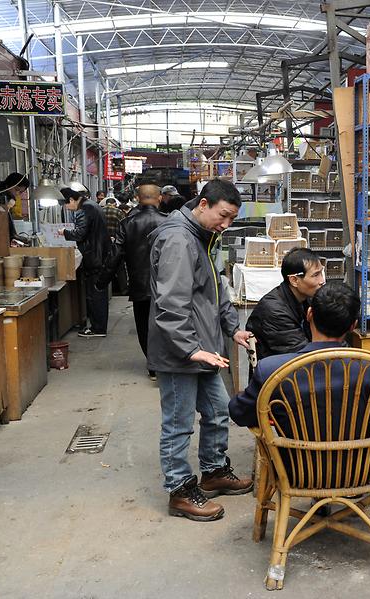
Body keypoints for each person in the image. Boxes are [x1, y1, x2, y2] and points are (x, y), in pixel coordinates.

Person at [148, 178, 254, 522]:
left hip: (204, 346)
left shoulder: (204, 236)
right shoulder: (178, 238)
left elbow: (216, 290)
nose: (225, 225)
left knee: (219, 410)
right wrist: (191, 349)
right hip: (181, 352)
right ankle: (179, 490)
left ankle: (213, 471)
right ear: (203, 204)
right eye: (222, 216)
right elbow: (171, 304)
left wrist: (232, 329)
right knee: (178, 423)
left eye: (231, 219)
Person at [230, 280, 370, 433]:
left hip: (295, 470)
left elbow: (239, 413)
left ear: (309, 314)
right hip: (358, 471)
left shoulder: (272, 369)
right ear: (353, 325)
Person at [96, 180, 167, 379]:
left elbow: (115, 256)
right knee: (165, 323)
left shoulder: (127, 223)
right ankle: (165, 363)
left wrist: (102, 282)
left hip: (140, 285)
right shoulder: (170, 221)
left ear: (137, 199)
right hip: (167, 285)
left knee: (144, 326)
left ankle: (153, 366)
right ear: (159, 198)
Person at [246, 247, 325, 362]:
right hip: (277, 374)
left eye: (321, 273)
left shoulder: (305, 298)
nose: (322, 281)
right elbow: (301, 355)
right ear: (294, 280)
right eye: (315, 275)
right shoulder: (274, 311)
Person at [59, 182, 111, 338]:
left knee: (95, 294)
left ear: (72, 200)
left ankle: (98, 328)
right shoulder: (92, 205)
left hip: (94, 257)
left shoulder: (85, 208)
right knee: (97, 293)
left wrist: (65, 232)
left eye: (66, 205)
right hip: (99, 255)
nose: (67, 208)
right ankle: (98, 327)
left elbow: (80, 233)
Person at [0, 172, 29, 246]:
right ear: (8, 185)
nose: (17, 193)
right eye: (16, 189)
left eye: (20, 192)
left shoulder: (9, 198)